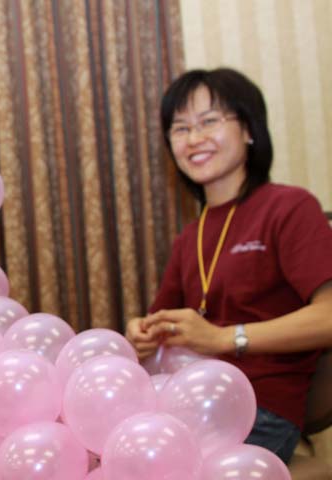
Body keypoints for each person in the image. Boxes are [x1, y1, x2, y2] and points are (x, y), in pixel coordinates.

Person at [125, 67, 332, 463]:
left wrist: (224, 338)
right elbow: (159, 324)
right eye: (180, 128)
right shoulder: (190, 236)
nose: (194, 139)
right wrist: (141, 333)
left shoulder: (289, 207)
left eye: (209, 121)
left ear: (249, 129)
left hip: (257, 410)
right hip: (184, 403)